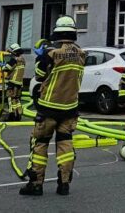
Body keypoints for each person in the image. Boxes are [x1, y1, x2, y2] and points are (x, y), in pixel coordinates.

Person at [20, 16, 85, 196]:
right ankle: (64, 184)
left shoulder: (51, 53)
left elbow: (39, 76)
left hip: (48, 108)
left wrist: (41, 55)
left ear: (58, 33)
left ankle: (36, 184)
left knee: (40, 144)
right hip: (70, 108)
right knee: (65, 146)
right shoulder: (81, 54)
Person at [1, 43, 26, 122]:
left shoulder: (14, 60)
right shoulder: (22, 59)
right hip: (19, 83)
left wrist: (2, 66)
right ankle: (18, 115)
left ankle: (11, 115)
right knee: (17, 99)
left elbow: (7, 68)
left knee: (10, 98)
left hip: (12, 82)